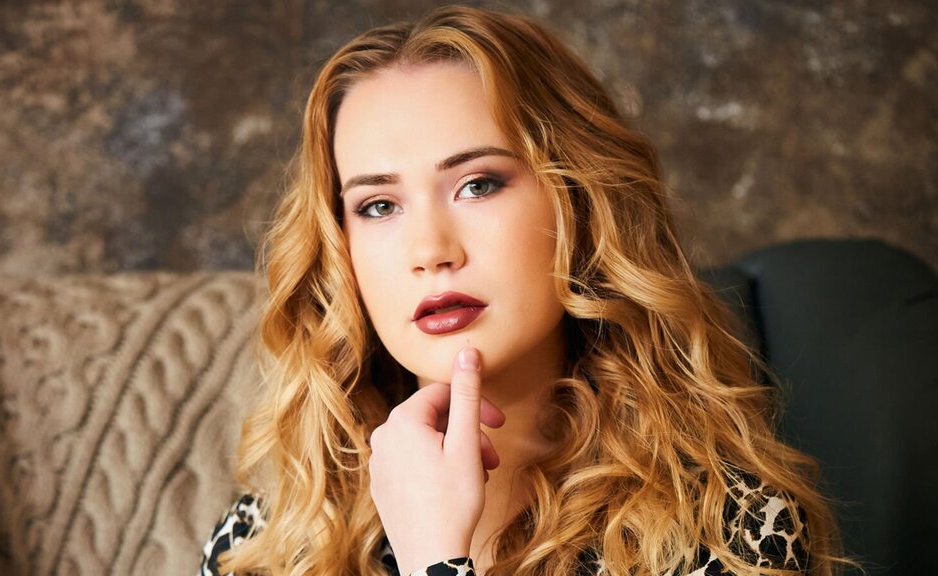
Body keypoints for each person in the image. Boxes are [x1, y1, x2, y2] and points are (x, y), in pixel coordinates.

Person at [198, 5, 857, 576]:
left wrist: (434, 559)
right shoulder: (267, 543)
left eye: (478, 184)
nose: (430, 251)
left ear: (580, 203)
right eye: (378, 206)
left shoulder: (731, 530)